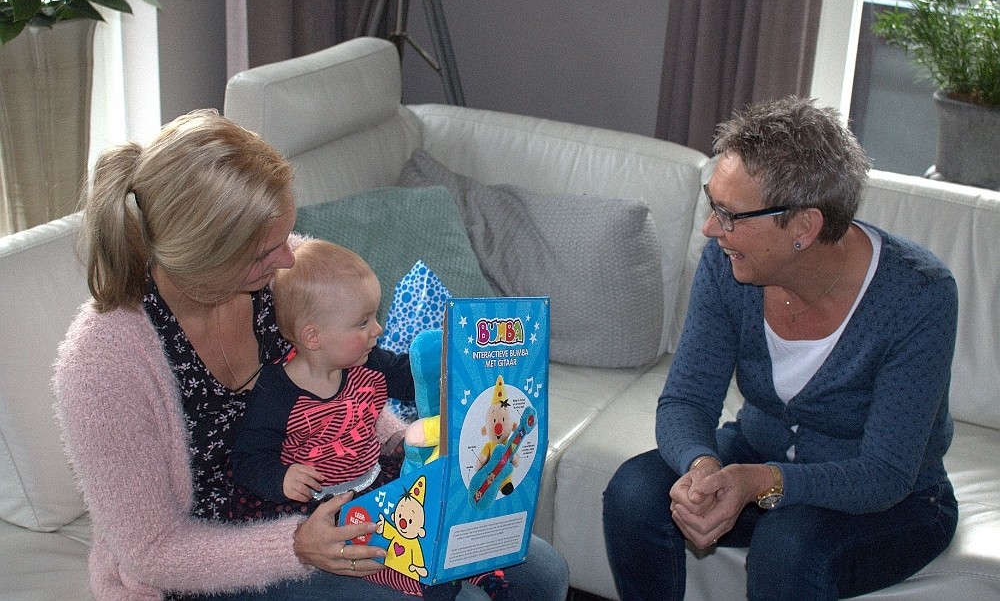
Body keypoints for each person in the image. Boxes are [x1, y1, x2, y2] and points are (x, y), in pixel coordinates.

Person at [52, 109, 568, 601]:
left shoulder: (286, 276)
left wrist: (401, 448)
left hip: (334, 503)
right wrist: (295, 546)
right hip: (214, 562)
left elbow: (345, 381)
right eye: (265, 251)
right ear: (205, 258)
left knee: (538, 571)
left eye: (284, 236)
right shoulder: (104, 363)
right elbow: (150, 551)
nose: (288, 257)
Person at [603, 97, 959, 600]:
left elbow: (886, 473)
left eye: (730, 215)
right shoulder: (727, 265)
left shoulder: (919, 296)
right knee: (635, 493)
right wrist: (701, 468)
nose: (711, 229)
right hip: (758, 454)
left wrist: (761, 482)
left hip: (895, 501)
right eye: (712, 203)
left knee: (786, 548)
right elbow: (687, 399)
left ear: (803, 227)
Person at [230, 239, 505, 600]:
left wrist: (458, 364)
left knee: (433, 509)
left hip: (371, 480)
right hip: (315, 506)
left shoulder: (369, 363)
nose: (377, 330)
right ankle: (418, 580)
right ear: (313, 336)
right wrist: (280, 477)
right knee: (382, 547)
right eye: (363, 322)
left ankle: (480, 566)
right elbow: (248, 458)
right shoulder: (276, 390)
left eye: (374, 317)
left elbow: (412, 379)